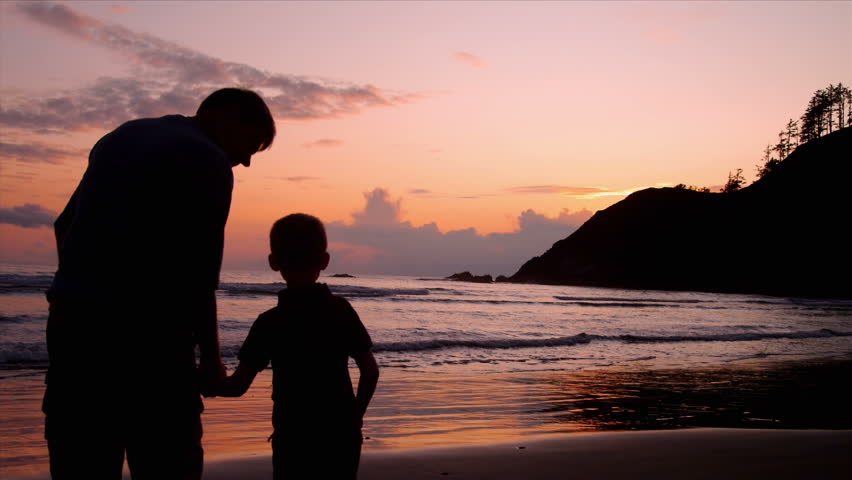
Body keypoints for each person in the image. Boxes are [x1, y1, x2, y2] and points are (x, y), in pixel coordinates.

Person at [44, 88, 276, 479]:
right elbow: (197, 274)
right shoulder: (208, 159)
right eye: (251, 144)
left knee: (80, 459)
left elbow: (64, 225)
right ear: (227, 117)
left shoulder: (122, 136)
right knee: (168, 459)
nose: (247, 161)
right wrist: (210, 362)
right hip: (150, 343)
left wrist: (83, 284)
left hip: (73, 331)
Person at [216, 213, 380, 480]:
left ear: (273, 262)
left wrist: (203, 381)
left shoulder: (270, 322)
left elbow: (236, 387)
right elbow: (370, 371)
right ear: (324, 261)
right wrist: (355, 416)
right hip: (340, 433)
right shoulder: (341, 310)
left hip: (293, 435)